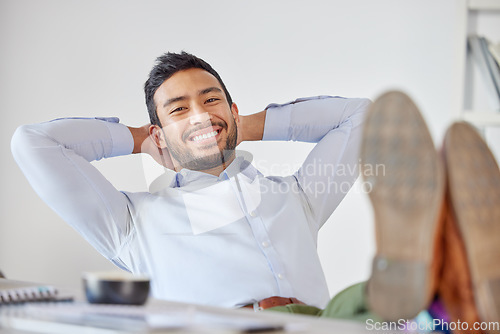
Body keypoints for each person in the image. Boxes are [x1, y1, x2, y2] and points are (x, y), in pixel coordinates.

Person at [11, 51, 370, 311]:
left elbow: (364, 116)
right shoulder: (131, 224)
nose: (199, 115)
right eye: (179, 109)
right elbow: (33, 143)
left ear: (232, 111)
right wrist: (140, 139)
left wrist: (244, 125)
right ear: (160, 133)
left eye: (210, 100)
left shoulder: (298, 196)